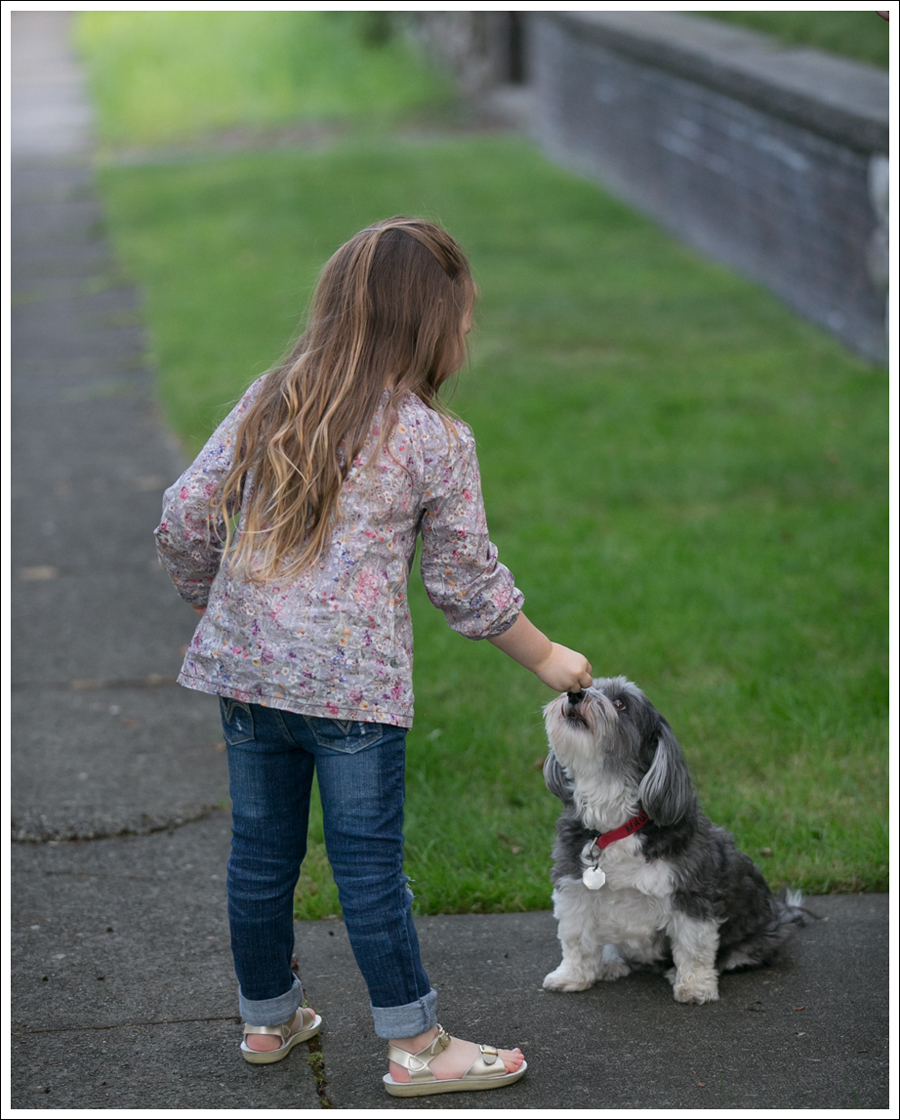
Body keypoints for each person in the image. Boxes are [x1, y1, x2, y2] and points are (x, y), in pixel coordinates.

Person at [154, 216, 593, 1097]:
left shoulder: (274, 395)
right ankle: (417, 1047)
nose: (468, 334)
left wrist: (221, 606)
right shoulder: (435, 439)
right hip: (354, 695)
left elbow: (182, 516)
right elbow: (464, 581)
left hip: (249, 678)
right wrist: (546, 657)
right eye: (462, 320)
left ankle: (268, 1020)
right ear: (428, 326)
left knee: (261, 857)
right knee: (366, 870)